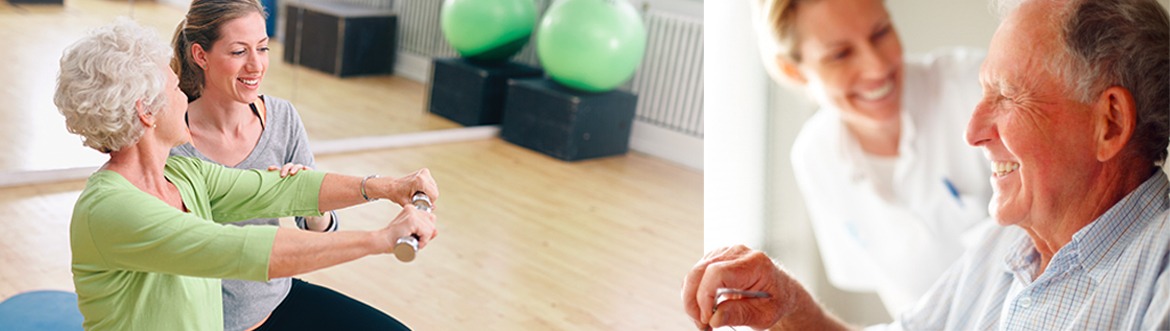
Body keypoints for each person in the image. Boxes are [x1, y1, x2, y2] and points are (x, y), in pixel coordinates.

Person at [683, 0, 1170, 329]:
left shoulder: (1156, 278)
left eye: (1006, 96)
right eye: (984, 92)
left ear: (1108, 123)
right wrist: (784, 302)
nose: (972, 131)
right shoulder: (1008, 243)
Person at [54, 18, 439, 330]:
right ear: (146, 111)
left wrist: (390, 187)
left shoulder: (183, 174)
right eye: (175, 88)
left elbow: (277, 189)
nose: (185, 95)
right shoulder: (111, 210)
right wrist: (381, 238)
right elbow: (242, 250)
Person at [166, 0, 407, 329]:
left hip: (275, 300)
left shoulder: (282, 118)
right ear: (200, 55)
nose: (256, 66)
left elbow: (318, 229)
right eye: (239, 52)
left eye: (262, 48)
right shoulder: (171, 142)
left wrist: (310, 200)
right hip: (203, 319)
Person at [750, 0, 993, 313]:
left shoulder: (973, 87)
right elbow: (893, 291)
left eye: (881, 33)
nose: (877, 66)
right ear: (792, 69)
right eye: (840, 54)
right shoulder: (815, 157)